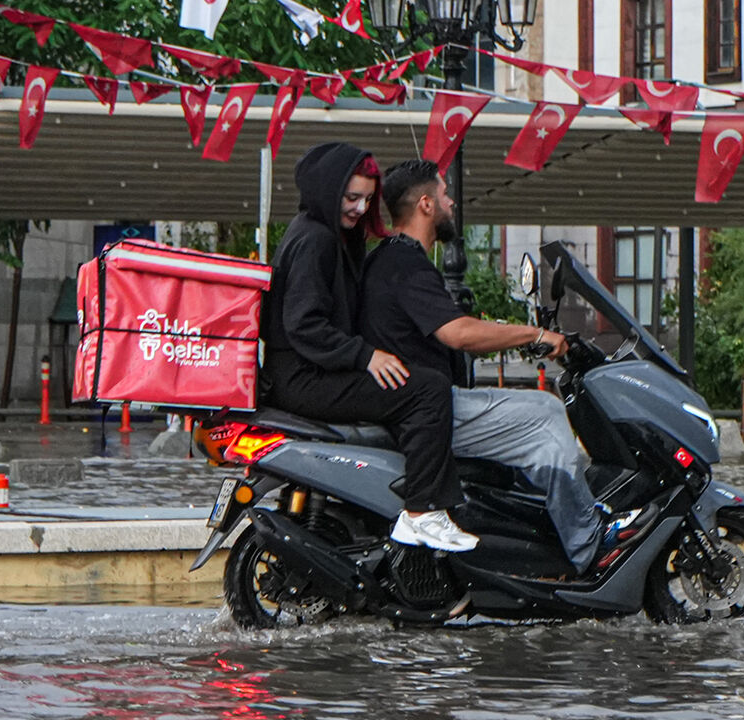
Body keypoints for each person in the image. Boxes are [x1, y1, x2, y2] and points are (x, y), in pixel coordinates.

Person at [360, 159, 656, 575]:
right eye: (445, 195)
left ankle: (536, 531)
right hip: (426, 410)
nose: (451, 203)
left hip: (415, 403)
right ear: (425, 205)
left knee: (530, 412)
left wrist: (505, 333)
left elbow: (447, 332)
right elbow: (458, 333)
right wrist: (536, 335)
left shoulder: (390, 260)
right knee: (546, 414)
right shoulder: (405, 265)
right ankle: (587, 539)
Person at [259, 142, 478, 553]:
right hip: (305, 378)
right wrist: (366, 355)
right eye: (351, 197)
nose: (360, 208)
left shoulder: (328, 234)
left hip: (308, 373)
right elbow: (304, 324)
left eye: (366, 199)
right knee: (427, 390)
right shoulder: (316, 239)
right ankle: (422, 511)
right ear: (328, 190)